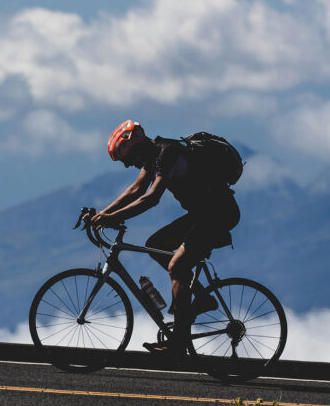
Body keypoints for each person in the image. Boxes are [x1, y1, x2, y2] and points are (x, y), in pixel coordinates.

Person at [88, 120, 240, 358]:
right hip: (203, 213)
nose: (128, 165)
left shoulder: (168, 152)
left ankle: (178, 343)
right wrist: (103, 215)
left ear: (137, 147)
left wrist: (110, 218)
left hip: (218, 214)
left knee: (177, 266)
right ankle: (201, 298)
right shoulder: (155, 155)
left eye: (127, 158)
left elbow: (151, 198)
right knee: (155, 246)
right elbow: (136, 190)